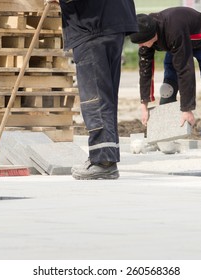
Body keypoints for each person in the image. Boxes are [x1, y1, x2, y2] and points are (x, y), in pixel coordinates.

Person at [53, 0, 138, 179]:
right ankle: (106, 156)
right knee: (106, 97)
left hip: (92, 27)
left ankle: (103, 161)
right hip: (113, 22)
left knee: (95, 99)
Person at [129, 7, 201, 149]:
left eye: (142, 43)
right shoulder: (145, 33)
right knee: (167, 89)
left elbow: (185, 69)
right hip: (178, 45)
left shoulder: (173, 30)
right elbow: (145, 71)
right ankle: (163, 136)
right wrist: (143, 104)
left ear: (152, 35)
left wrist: (186, 109)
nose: (140, 46)